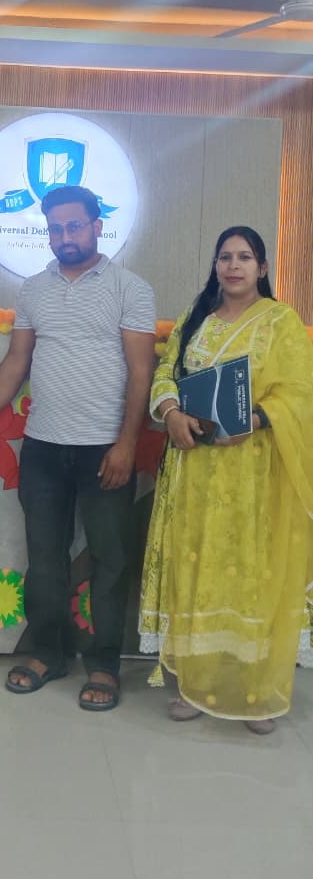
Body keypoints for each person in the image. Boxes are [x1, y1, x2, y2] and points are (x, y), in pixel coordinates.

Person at [0, 185, 156, 711]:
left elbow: (141, 372)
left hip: (106, 450)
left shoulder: (130, 288)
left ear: (97, 226)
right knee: (46, 559)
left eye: (74, 226)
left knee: (110, 561)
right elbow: (17, 361)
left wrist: (126, 444)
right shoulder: (34, 288)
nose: (64, 236)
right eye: (55, 228)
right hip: (44, 449)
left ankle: (103, 664)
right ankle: (48, 653)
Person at [139, 225, 313, 735]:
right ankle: (196, 683)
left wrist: (255, 419)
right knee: (199, 571)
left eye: (244, 257)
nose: (233, 266)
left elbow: (301, 393)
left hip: (256, 473)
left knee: (252, 575)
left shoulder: (281, 322)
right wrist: (170, 413)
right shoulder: (197, 320)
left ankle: (257, 690)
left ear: (262, 267)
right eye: (224, 257)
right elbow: (166, 373)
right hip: (195, 471)